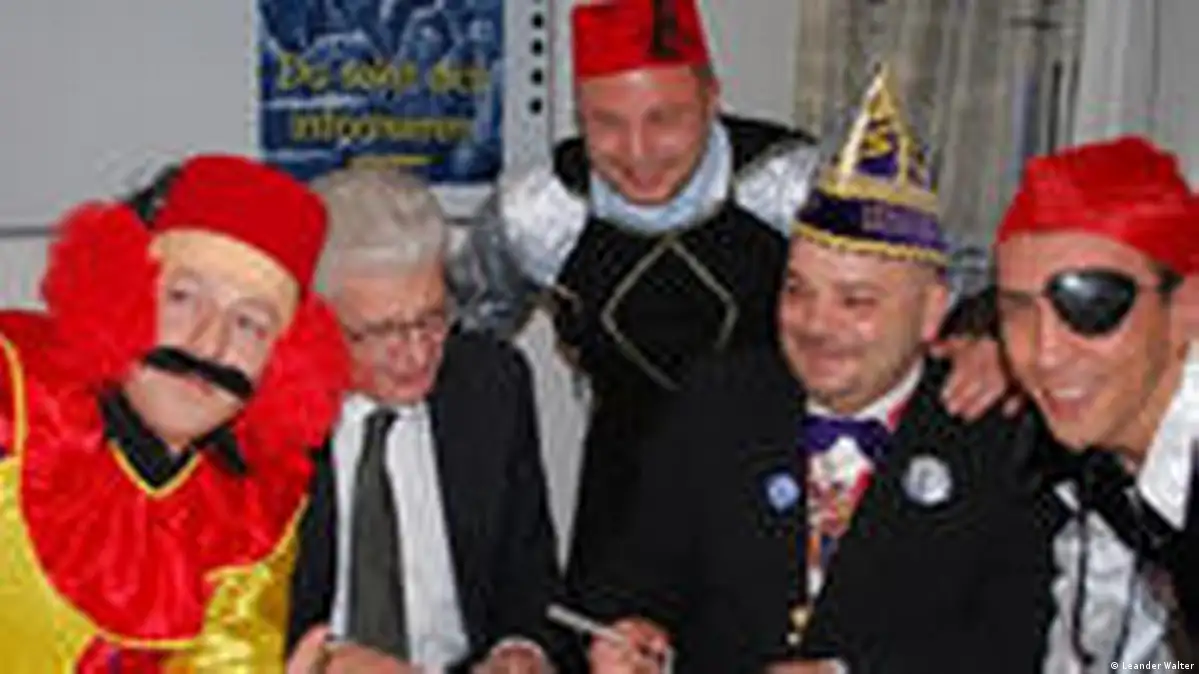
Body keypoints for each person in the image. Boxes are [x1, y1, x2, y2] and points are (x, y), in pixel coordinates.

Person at [448, 0, 1009, 613]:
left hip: (788, 488)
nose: (637, 151)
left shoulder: (791, 182)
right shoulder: (538, 212)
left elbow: (931, 282)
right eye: (604, 123)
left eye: (664, 119)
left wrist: (987, 337)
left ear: (713, 97)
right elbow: (464, 339)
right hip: (625, 496)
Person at [585, 65, 1042, 674]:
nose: (816, 325)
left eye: (856, 302)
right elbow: (633, 577)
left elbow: (1017, 643)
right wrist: (633, 629)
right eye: (797, 291)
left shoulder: (996, 435)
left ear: (932, 310)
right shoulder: (717, 402)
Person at [0, 155, 350, 670]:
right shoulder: (12, 394)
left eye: (250, 324)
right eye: (183, 298)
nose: (209, 344)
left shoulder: (257, 508)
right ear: (122, 289)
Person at [286, 168, 564, 673]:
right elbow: (233, 622)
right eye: (382, 331)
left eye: (432, 318)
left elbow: (528, 578)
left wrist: (519, 650)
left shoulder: (490, 387)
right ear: (314, 321)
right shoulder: (259, 417)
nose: (417, 354)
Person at [993, 136, 1199, 668]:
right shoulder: (1103, 467)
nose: (1046, 354)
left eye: (1092, 306)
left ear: (1186, 307)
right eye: (1018, 310)